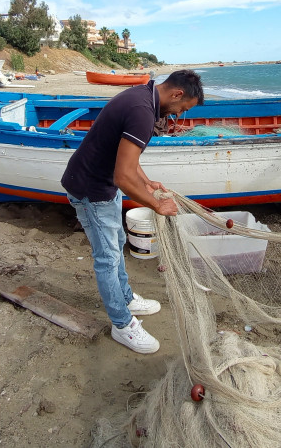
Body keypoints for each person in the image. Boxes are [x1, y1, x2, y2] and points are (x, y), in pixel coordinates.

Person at [62, 70, 204, 353]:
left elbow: (126, 156)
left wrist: (147, 181)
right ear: (176, 94)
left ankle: (126, 298)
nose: (177, 116)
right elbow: (123, 177)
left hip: (102, 185)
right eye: (182, 109)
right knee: (108, 258)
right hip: (91, 190)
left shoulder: (142, 96)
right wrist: (156, 204)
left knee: (117, 244)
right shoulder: (142, 113)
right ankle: (122, 324)